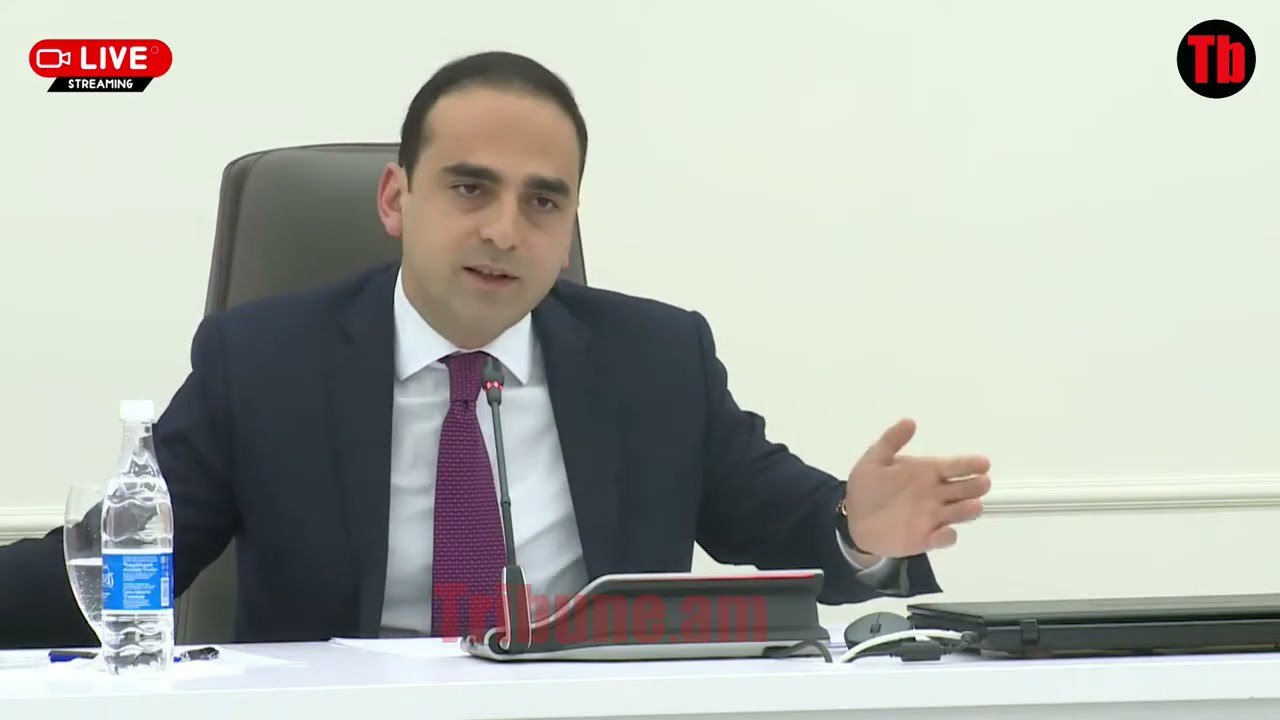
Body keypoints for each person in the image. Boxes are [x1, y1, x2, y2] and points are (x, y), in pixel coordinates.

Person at [0, 51, 991, 649]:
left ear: (568, 225)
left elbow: (791, 527)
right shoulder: (262, 363)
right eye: (470, 188)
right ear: (397, 199)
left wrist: (863, 530)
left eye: (542, 202)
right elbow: (119, 564)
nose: (505, 231)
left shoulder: (656, 360)